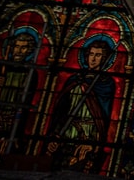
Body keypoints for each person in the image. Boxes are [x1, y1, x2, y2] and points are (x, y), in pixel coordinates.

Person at [47, 39, 116, 173]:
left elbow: (103, 116)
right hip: (67, 132)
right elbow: (61, 110)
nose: (93, 59)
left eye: (98, 55)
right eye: (91, 54)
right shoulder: (74, 80)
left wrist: (95, 143)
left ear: (104, 59)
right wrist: (54, 134)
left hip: (89, 134)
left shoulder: (106, 83)